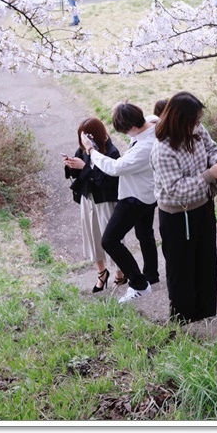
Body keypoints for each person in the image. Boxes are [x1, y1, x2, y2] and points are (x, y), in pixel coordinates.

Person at [150, 92, 217, 324]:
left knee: (206, 262)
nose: (198, 124)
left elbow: (213, 147)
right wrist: (208, 175)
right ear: (179, 120)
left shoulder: (196, 129)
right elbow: (175, 190)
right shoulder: (162, 149)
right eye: (194, 121)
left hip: (204, 206)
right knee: (181, 269)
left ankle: (205, 314)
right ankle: (182, 320)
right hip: (177, 215)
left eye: (199, 119)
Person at [87, 102, 160, 303]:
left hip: (134, 198)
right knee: (145, 234)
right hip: (148, 194)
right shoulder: (153, 127)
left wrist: (92, 152)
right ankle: (151, 276)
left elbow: (115, 168)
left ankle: (138, 284)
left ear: (133, 127)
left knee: (109, 240)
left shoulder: (146, 146)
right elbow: (154, 120)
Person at [63, 117, 123, 293]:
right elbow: (80, 173)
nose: (83, 141)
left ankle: (120, 274)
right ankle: (102, 273)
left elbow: (107, 182)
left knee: (111, 238)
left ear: (94, 135)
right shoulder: (82, 150)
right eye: (81, 137)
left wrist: (85, 168)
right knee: (93, 236)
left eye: (86, 137)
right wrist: (71, 165)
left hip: (105, 200)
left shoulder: (111, 152)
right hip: (87, 199)